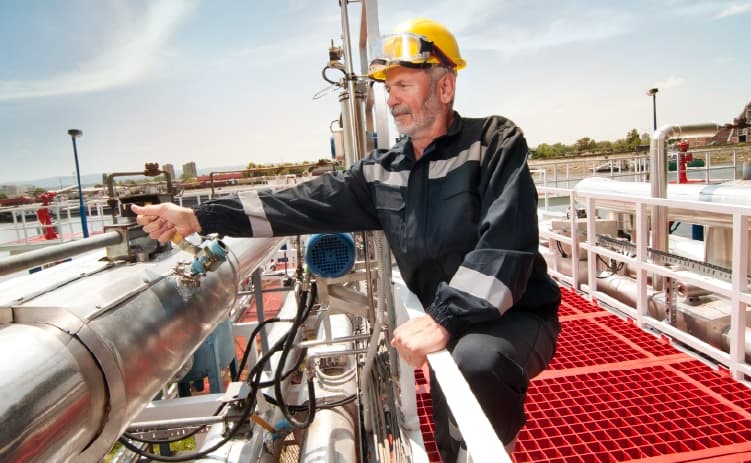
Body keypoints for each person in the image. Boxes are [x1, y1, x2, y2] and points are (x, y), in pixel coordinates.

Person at [133, 18, 560, 463]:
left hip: (511, 314)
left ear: (445, 87)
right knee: (450, 432)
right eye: (388, 89)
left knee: (476, 363)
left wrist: (445, 318)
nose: (391, 100)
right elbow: (297, 203)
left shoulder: (493, 142)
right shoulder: (383, 172)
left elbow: (507, 243)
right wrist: (198, 216)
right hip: (438, 322)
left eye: (403, 85)